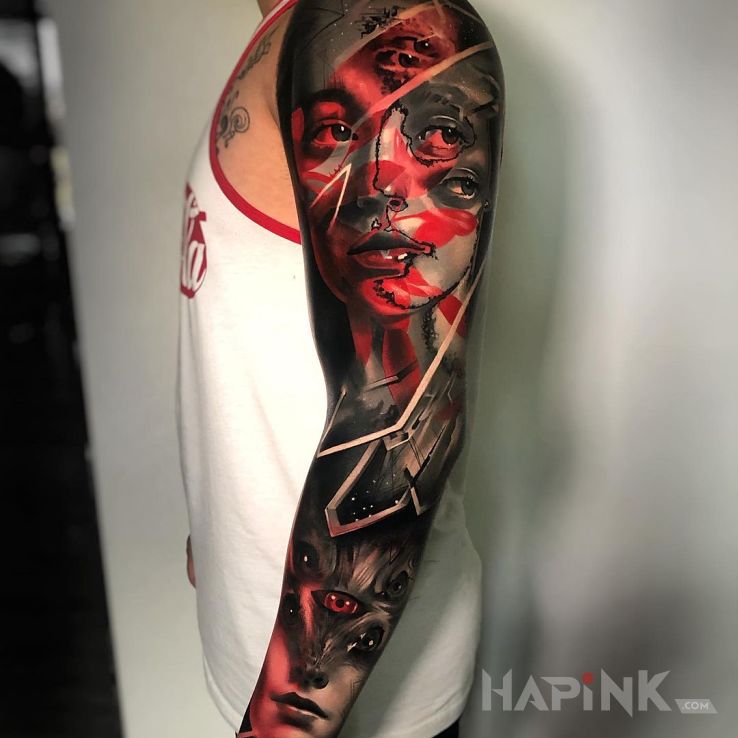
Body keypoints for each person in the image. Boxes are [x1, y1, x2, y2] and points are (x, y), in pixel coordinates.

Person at [177, 1, 504, 736]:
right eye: (334, 135)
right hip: (258, 626)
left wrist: (282, 728)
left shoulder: (380, 17)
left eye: (439, 142)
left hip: (346, 697)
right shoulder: (290, 26)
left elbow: (408, 426)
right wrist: (214, 524)